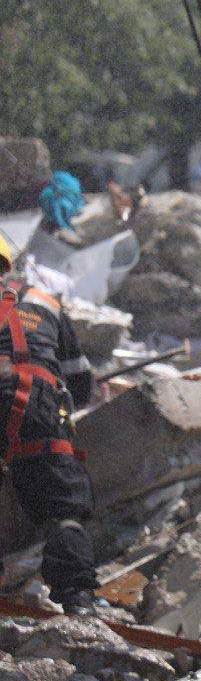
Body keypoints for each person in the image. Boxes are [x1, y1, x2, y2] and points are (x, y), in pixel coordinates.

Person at [0, 233, 96, 613]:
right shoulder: (44, 300)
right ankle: (79, 601)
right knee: (63, 507)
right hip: (38, 399)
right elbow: (81, 380)